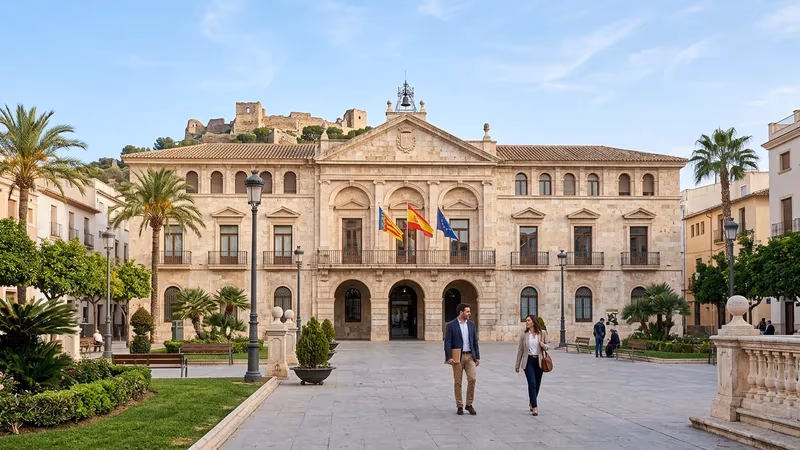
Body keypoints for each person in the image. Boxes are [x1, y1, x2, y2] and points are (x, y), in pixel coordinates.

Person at [444, 303, 480, 416]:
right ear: (461, 312)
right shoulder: (451, 325)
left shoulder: (471, 325)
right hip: (457, 357)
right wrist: (448, 357)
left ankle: (469, 404)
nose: (469, 313)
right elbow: (447, 342)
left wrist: (477, 356)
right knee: (458, 382)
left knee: (472, 379)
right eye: (467, 311)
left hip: (470, 356)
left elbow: (475, 341)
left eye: (469, 311)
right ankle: (459, 405)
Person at [515, 315, 548, 416]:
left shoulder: (542, 333)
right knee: (532, 383)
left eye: (528, 320)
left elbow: (547, 346)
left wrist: (543, 345)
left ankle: (531, 401)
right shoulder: (524, 335)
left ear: (533, 322)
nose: (527, 322)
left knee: (537, 384)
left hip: (539, 361)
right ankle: (534, 407)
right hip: (528, 361)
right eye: (526, 321)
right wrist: (517, 365)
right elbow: (520, 350)